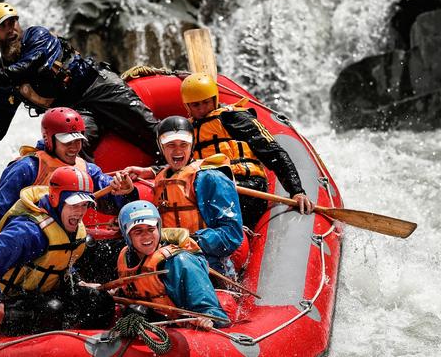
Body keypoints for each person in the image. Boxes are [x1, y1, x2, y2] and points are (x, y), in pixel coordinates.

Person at [0, 2, 159, 178]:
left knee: (150, 129)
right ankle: (91, 204)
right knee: (69, 152)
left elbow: (29, 67)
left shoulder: (38, 36)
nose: (11, 30)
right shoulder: (1, 81)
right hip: (75, 113)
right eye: (3, 27)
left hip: (98, 87)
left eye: (12, 22)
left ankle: (183, 168)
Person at [0, 166, 115, 337]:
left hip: (43, 293)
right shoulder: (29, 231)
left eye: (84, 205)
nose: (80, 212)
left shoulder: (70, 225)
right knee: (52, 309)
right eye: (74, 205)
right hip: (10, 301)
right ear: (56, 199)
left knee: (101, 302)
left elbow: (57, 261)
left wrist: (77, 281)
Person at [0, 107, 136, 249]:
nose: (74, 147)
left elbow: (110, 196)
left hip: (64, 241)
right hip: (26, 240)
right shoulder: (27, 168)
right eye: (67, 142)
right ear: (49, 140)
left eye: (78, 140)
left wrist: (124, 191)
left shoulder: (86, 170)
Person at [179, 72, 313, 229]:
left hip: (248, 187)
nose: (202, 109)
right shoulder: (186, 131)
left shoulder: (235, 117)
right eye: (196, 105)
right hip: (211, 190)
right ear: (187, 106)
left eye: (206, 102)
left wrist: (296, 191)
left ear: (215, 99)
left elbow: (273, 152)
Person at [125, 116, 246, 276]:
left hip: (209, 266)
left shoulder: (210, 178)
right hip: (168, 262)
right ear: (161, 147)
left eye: (183, 144)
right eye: (170, 145)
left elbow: (232, 234)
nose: (177, 151)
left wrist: (191, 240)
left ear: (192, 145)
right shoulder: (162, 177)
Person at [115, 200, 230, 330]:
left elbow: (214, 314)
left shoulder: (179, 262)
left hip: (178, 326)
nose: (146, 236)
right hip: (151, 321)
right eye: (138, 232)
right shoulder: (126, 257)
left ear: (158, 229)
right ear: (127, 236)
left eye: (151, 229)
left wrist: (208, 319)